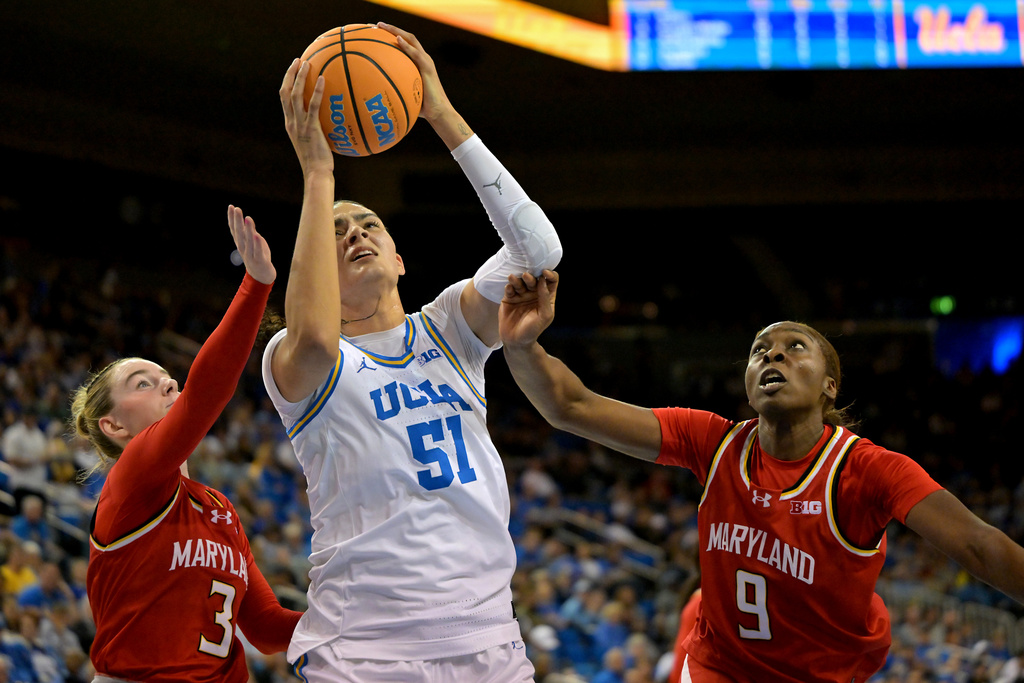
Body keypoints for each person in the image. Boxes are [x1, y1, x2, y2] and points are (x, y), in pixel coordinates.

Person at [498, 270, 1024, 683]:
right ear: (749, 386)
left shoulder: (866, 470)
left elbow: (980, 546)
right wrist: (522, 346)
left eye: (796, 347)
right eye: (759, 351)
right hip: (719, 667)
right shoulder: (712, 441)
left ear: (830, 387)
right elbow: (571, 405)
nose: (773, 352)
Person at [263, 21, 562, 682]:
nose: (355, 233)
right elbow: (314, 333)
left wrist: (442, 113)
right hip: (363, 644)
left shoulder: (450, 325)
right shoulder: (297, 358)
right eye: (336, 232)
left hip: (486, 635)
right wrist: (319, 173)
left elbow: (539, 252)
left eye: (368, 223)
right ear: (314, 267)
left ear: (399, 258)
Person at [69, 206, 301, 682]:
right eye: (142, 383)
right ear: (114, 427)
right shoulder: (130, 482)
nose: (169, 384)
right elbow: (206, 393)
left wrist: (360, 619)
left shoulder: (218, 509)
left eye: (167, 377)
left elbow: (267, 629)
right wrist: (255, 284)